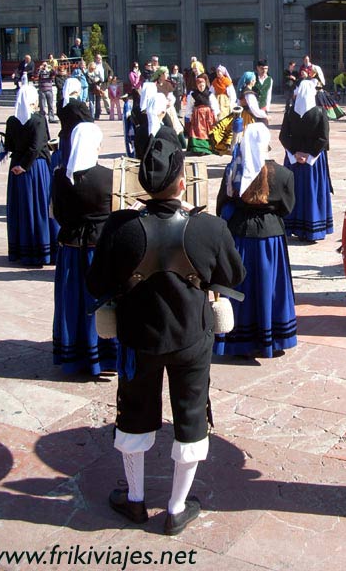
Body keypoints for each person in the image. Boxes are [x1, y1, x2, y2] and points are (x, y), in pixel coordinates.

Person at [86, 135, 245, 536]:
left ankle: (135, 500)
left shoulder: (120, 228)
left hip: (139, 338)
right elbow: (235, 276)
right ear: (181, 183)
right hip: (192, 340)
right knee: (191, 418)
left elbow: (95, 284)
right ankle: (176, 508)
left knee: (134, 417)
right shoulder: (209, 227)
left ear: (142, 183)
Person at [215, 122, 297, 358]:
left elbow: (222, 204)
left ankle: (239, 341)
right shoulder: (283, 174)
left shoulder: (234, 171)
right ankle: (271, 339)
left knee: (241, 287)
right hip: (270, 238)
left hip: (240, 234)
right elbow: (287, 208)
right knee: (270, 288)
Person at [51, 123, 117, 375]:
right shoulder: (107, 176)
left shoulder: (60, 176)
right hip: (97, 249)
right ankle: (103, 356)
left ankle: (73, 353)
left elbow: (57, 213)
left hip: (69, 247)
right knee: (100, 301)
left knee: (73, 301)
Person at [4, 85, 57, 266]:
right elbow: (37, 147)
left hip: (16, 168)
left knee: (21, 208)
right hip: (35, 168)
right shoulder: (38, 119)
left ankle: (21, 250)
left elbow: (8, 146)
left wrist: (19, 164)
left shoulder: (11, 121)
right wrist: (25, 166)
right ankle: (42, 250)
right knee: (40, 206)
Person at [280, 80, 333, 242]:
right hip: (314, 161)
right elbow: (323, 138)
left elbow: (283, 136)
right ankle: (312, 229)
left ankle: (293, 225)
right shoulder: (319, 112)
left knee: (294, 190)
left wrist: (295, 153)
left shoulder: (289, 112)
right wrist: (308, 155)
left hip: (293, 160)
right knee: (312, 191)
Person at [57, 77, 94, 168]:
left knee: (65, 164)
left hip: (64, 137)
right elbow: (90, 121)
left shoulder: (60, 103)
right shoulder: (79, 105)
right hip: (77, 139)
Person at [184, 73, 219, 155]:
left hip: (208, 117)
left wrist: (215, 115)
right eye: (199, 85)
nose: (201, 86)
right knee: (197, 132)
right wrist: (188, 116)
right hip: (197, 117)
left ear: (205, 84)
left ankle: (208, 148)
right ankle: (198, 149)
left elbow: (214, 105)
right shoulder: (193, 95)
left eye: (202, 85)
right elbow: (189, 106)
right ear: (197, 85)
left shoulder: (210, 94)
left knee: (208, 132)